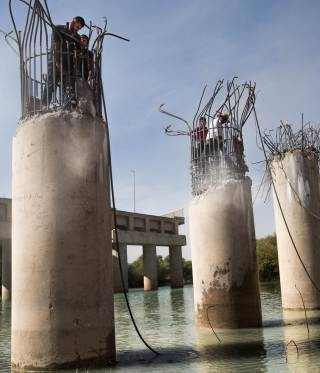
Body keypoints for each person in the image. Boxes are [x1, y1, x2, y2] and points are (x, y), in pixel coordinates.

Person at [42, 16, 86, 106]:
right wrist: (59, 64)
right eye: (77, 27)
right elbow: (56, 48)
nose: (77, 30)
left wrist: (74, 66)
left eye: (79, 28)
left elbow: (77, 54)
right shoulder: (58, 29)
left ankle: (66, 108)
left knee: (67, 86)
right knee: (52, 83)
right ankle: (44, 105)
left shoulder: (77, 38)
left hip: (67, 65)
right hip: (54, 61)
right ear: (73, 22)